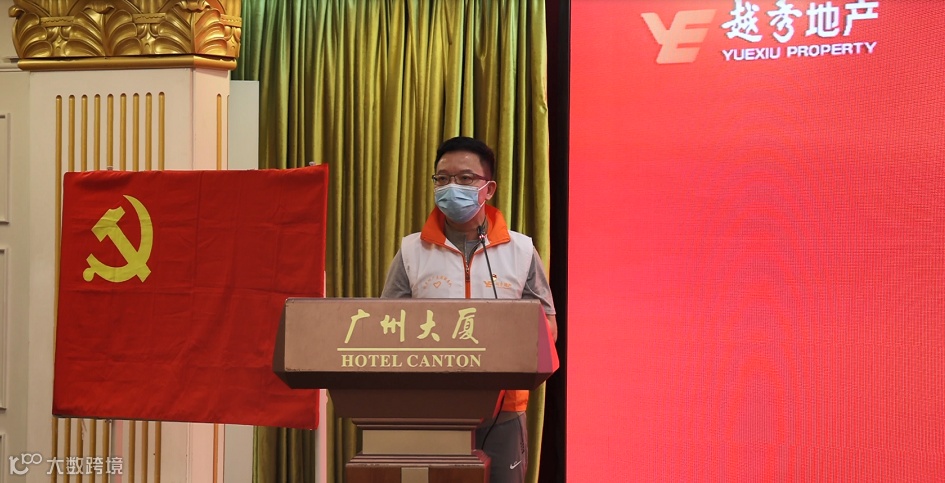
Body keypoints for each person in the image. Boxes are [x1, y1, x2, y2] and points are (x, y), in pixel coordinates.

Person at [381, 136, 557, 483]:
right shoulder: (412, 251)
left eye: (465, 178)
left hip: (503, 410)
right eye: (443, 178)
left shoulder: (520, 250)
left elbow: (547, 326)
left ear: (488, 189)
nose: (451, 186)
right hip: (430, 407)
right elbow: (387, 325)